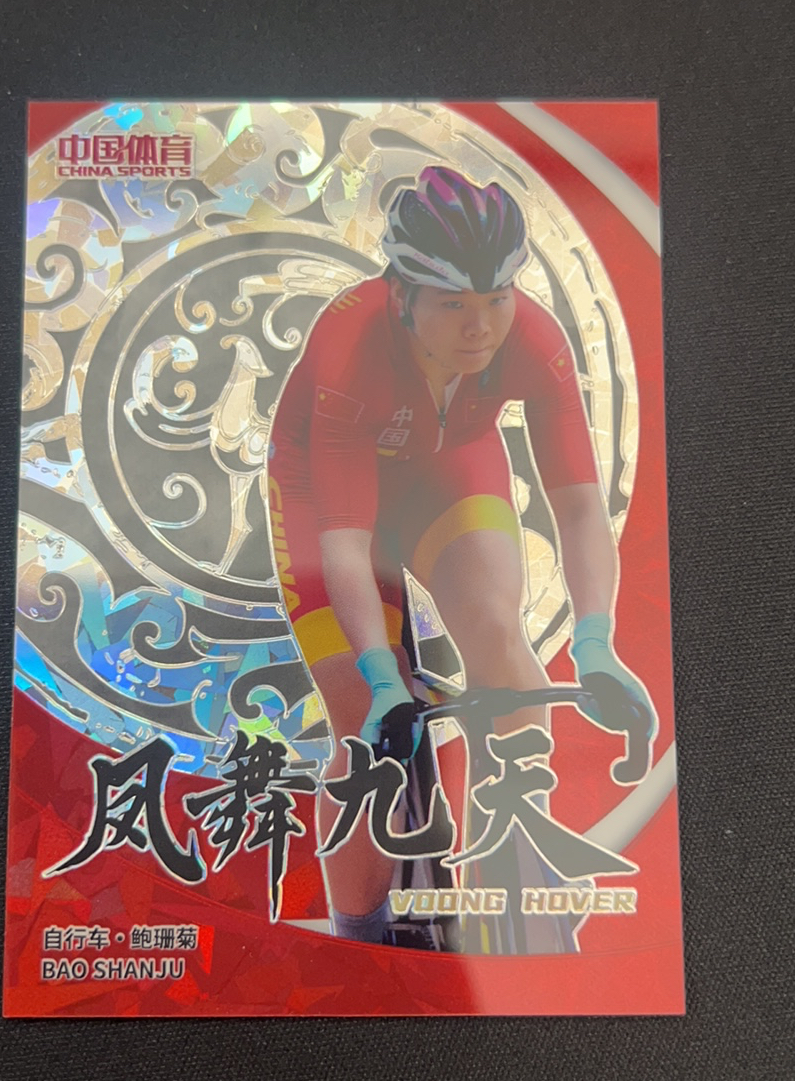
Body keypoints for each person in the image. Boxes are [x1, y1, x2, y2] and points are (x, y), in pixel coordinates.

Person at [266, 165, 654, 945]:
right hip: (321, 494)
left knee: (503, 648)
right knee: (364, 728)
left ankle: (518, 912)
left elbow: (580, 506)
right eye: (453, 304)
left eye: (496, 298)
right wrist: (383, 681)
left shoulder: (534, 340)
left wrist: (595, 643)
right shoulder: (348, 346)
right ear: (401, 296)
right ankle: (361, 934)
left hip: (446, 473)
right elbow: (345, 545)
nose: (481, 327)